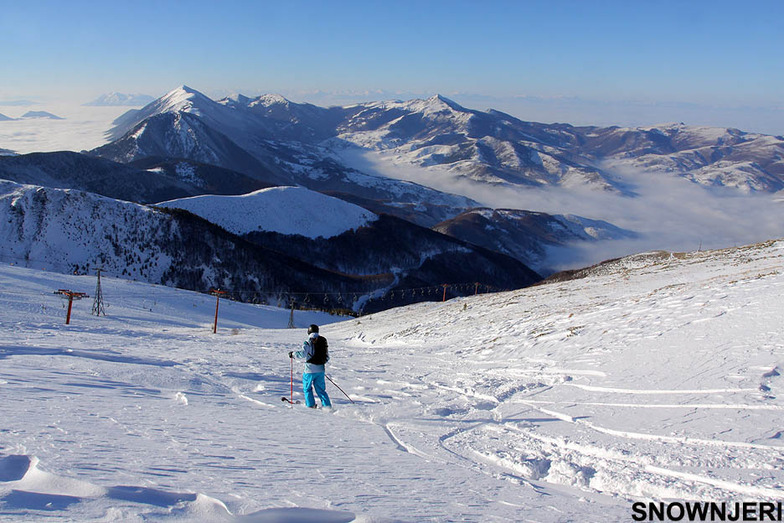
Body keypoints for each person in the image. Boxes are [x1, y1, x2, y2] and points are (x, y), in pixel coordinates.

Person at [288, 324, 332, 408]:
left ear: (308, 331)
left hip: (309, 370)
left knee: (307, 388)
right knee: (321, 390)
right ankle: (327, 407)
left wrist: (293, 354)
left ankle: (310, 405)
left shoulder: (308, 341)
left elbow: (303, 354)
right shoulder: (322, 340)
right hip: (321, 369)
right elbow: (327, 357)